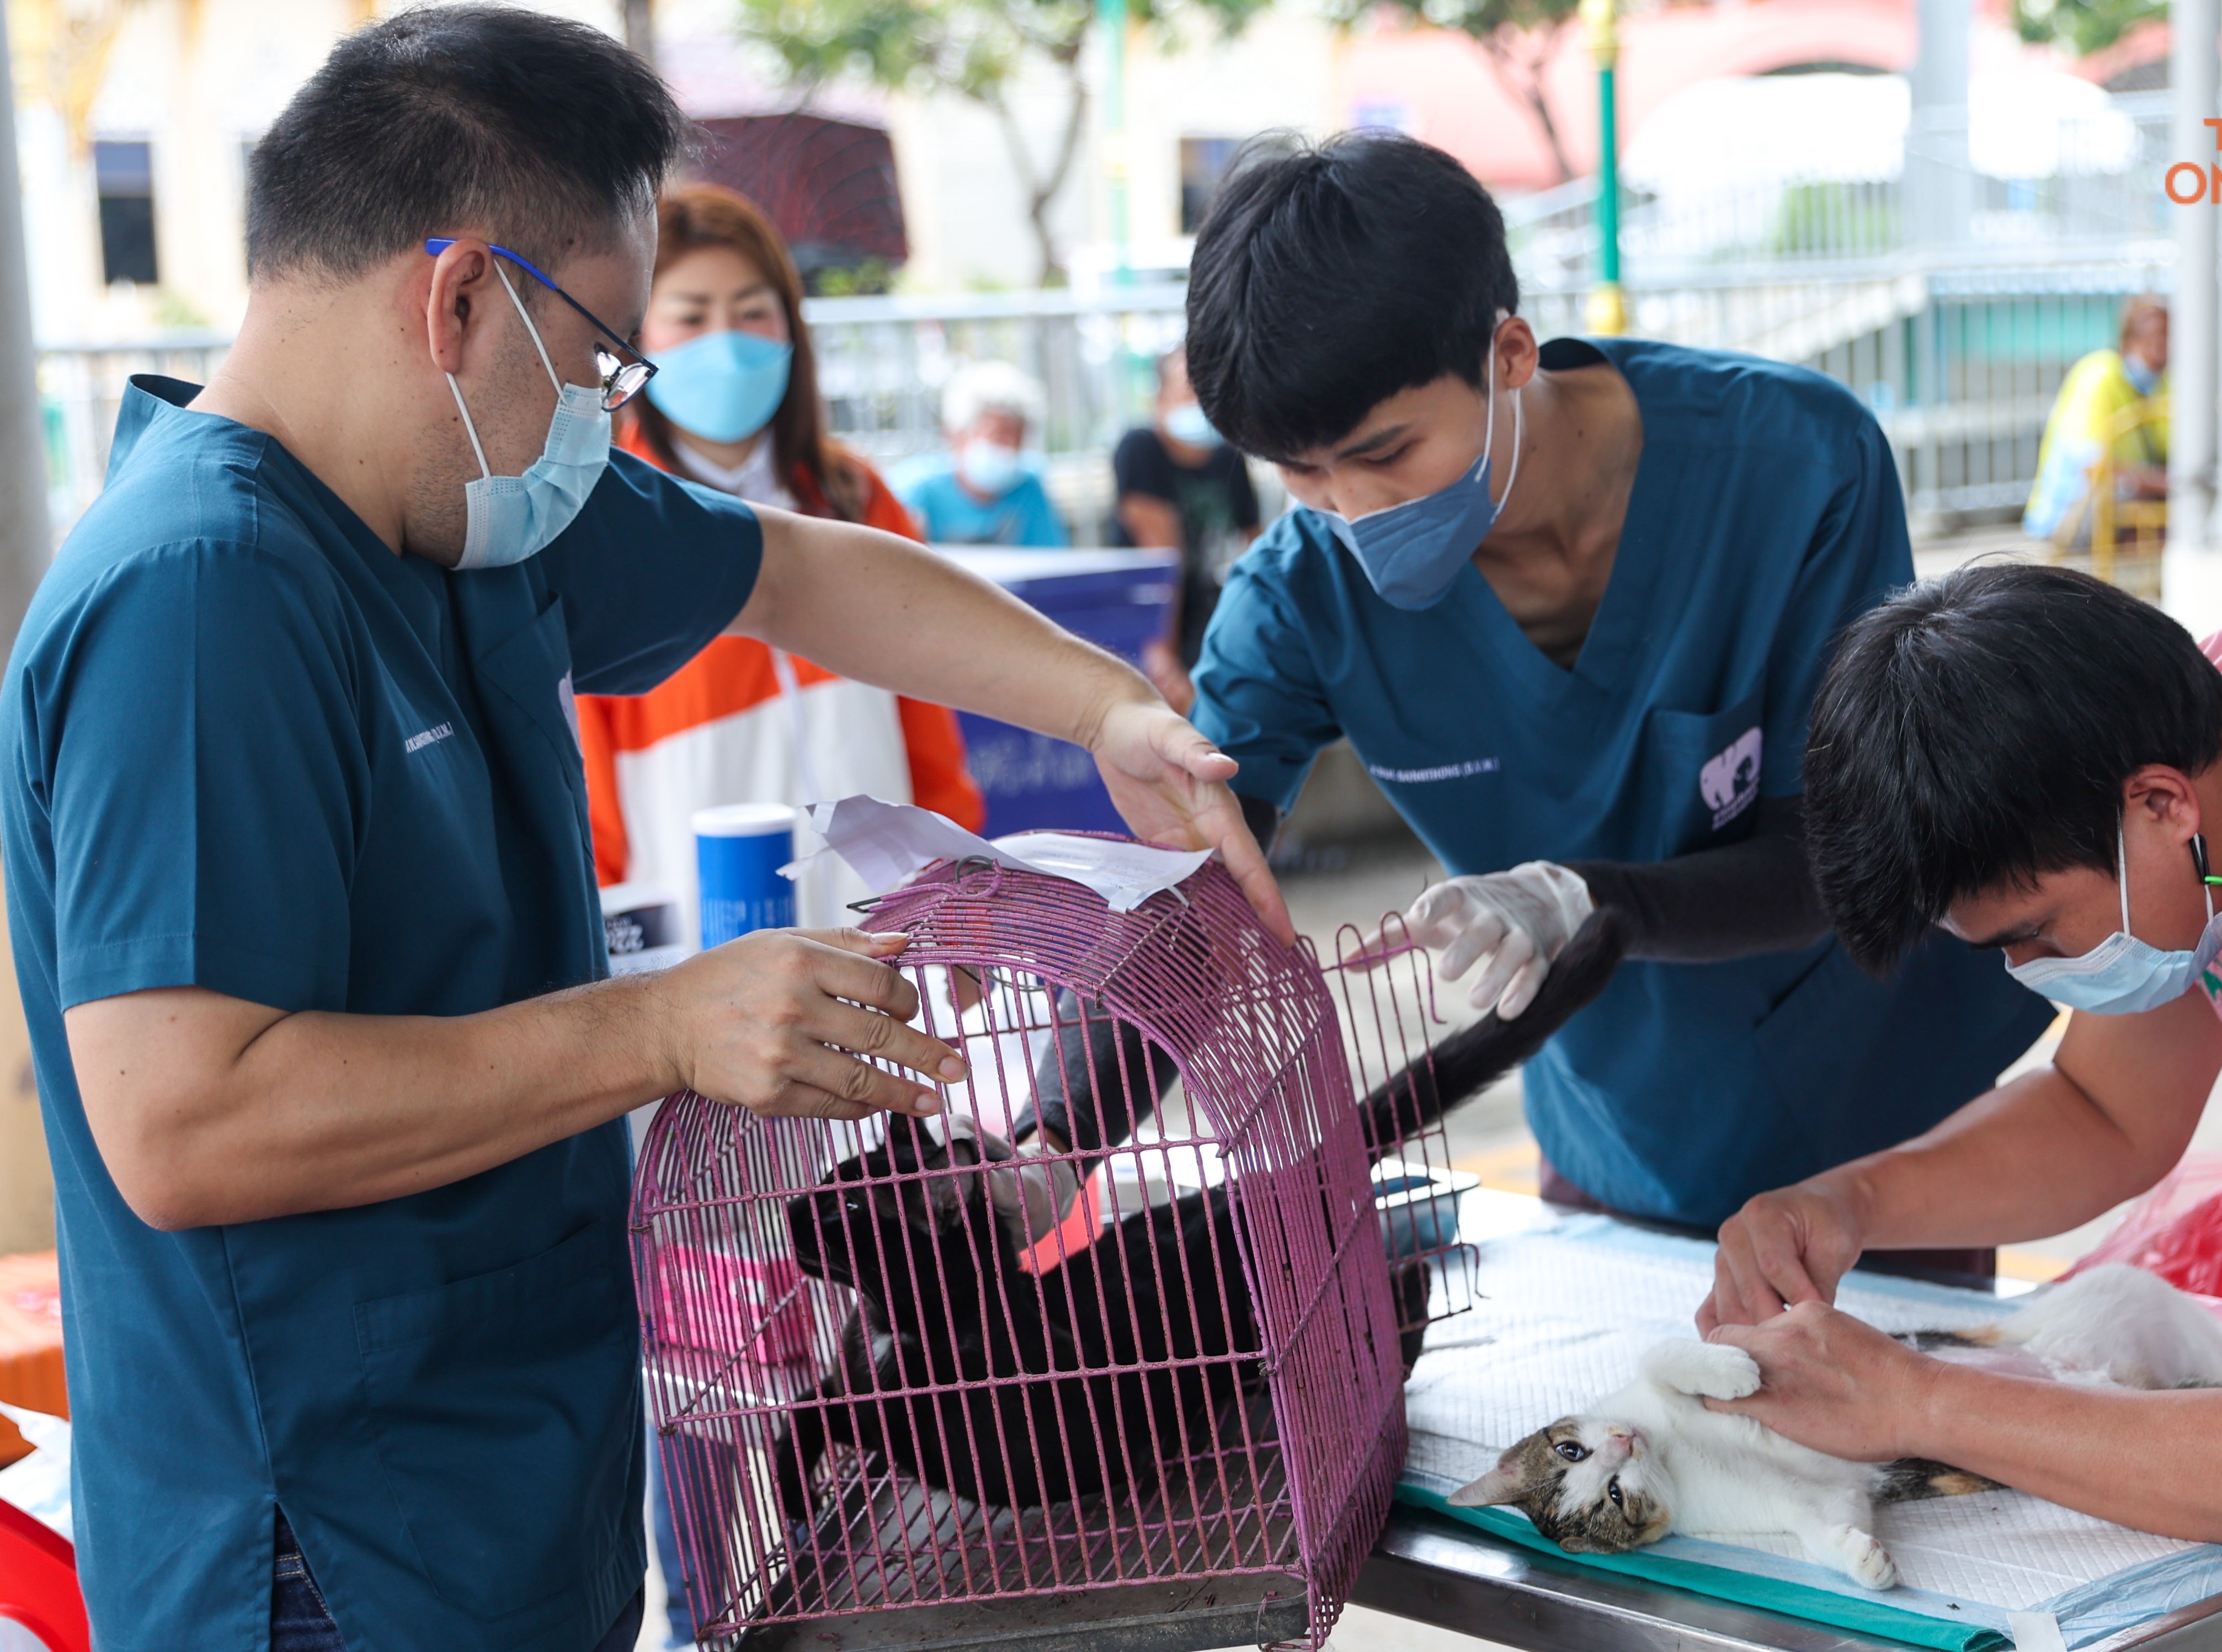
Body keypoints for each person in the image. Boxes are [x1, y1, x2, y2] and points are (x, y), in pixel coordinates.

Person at [0, 13, 1279, 1651]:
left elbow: (800, 570)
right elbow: (184, 1120)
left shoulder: (452, 518)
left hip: (506, 1487)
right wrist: (664, 1024)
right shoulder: (201, 601)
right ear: (458, 300)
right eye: (601, 359)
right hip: (325, 1546)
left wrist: (1110, 711)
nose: (603, 415)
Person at [1180, 131, 2052, 1235]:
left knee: (1891, 1392)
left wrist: (1581, 901)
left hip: (1878, 1113)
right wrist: (1050, 1138)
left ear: (1506, 353)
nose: (1352, 509)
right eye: (1300, 473)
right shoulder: (1299, 601)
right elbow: (1192, 889)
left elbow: (1840, 852)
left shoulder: (1796, 470)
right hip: (1616, 1122)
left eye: (1388, 452)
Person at [1697, 563, 2222, 1566]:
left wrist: (1914, 1400)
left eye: (2038, 931)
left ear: (2162, 804)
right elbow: (2107, 1107)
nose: (2037, 973)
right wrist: (1846, 1203)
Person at [577, 184, 983, 933]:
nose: (725, 340)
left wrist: (957, 904)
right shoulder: (599, 520)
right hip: (700, 954)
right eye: (691, 315)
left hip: (880, 936)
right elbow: (588, 781)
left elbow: (928, 719)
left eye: (752, 310)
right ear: (636, 337)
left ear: (791, 326)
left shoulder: (855, 497)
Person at [1109, 347, 1263, 712]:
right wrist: (1161, 656)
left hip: (1214, 621)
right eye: (1191, 387)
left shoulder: (1229, 455)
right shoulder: (1141, 448)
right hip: (1154, 623)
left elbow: (1256, 546)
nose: (1203, 398)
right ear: (1161, 399)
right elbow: (1160, 559)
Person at [2022, 295, 2170, 547]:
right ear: (2129, 340)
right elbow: (2092, 466)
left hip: (2116, 506)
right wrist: (2165, 483)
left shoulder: (2160, 384)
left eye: (2169, 337)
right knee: (2132, 500)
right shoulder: (2098, 376)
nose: (2164, 347)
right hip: (2069, 515)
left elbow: (2172, 450)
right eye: (2155, 337)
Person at [895, 359, 1068, 546]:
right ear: (958, 434)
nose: (1008, 448)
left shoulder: (1028, 487)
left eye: (1017, 437)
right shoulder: (917, 490)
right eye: (997, 435)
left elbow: (1048, 557)